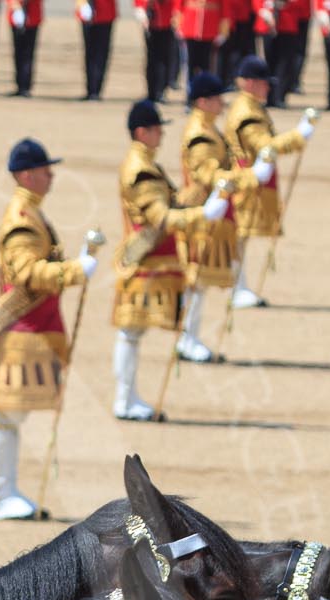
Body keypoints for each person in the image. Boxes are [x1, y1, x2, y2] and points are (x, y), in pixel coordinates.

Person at [0, 138, 96, 519]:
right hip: (21, 325)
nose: (52, 176)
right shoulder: (23, 218)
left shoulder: (31, 213)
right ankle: (2, 495)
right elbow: (26, 273)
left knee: (12, 414)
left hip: (31, 324)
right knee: (6, 413)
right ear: (27, 175)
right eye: (45, 170)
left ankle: (7, 492)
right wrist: (74, 271)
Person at [110, 101, 215, 421]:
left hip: (149, 258)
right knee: (130, 332)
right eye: (156, 130)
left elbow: (170, 203)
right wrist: (203, 214)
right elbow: (161, 217)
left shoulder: (145, 163)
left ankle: (127, 398)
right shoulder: (140, 168)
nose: (161, 135)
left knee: (132, 334)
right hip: (144, 259)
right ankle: (124, 399)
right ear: (142, 132)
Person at [223, 57, 311, 308]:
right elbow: (265, 146)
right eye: (263, 83)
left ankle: (240, 285)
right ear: (250, 83)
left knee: (242, 235)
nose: (268, 88)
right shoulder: (247, 111)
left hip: (250, 174)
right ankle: (236, 287)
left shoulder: (251, 106)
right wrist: (298, 137)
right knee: (239, 233)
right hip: (247, 176)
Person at [177, 72, 249, 363]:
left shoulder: (208, 127)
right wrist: (240, 179)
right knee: (196, 277)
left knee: (201, 278)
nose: (222, 104)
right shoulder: (199, 133)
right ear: (203, 102)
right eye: (217, 99)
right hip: (201, 208)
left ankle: (190, 336)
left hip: (211, 207)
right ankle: (187, 337)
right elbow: (205, 173)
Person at [138, 0, 182, 97]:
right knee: (151, 59)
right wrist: (142, 10)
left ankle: (160, 90)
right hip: (151, 21)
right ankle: (151, 91)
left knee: (165, 59)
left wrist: (177, 13)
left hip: (168, 21)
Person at [79, 0, 117, 96]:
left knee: (101, 54)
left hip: (105, 12)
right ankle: (90, 89)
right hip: (86, 9)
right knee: (89, 53)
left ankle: (96, 89)